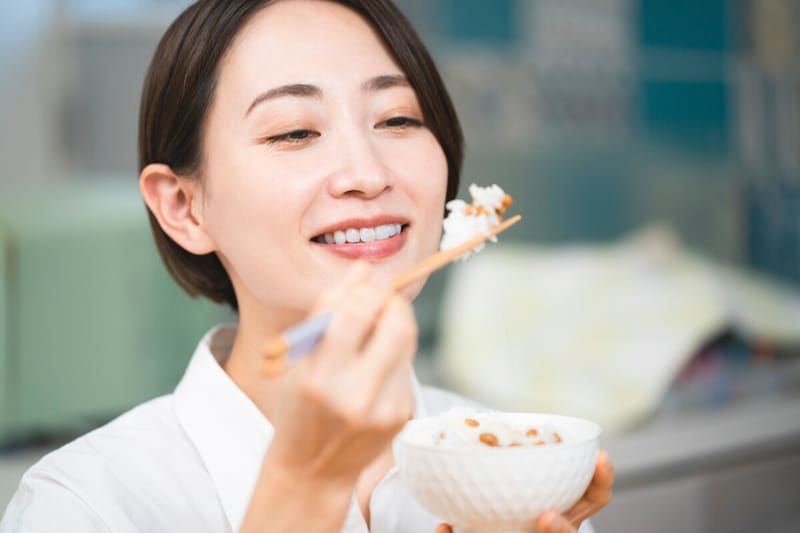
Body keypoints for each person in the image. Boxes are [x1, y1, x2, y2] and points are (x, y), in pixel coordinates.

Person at [0, 0, 613, 531]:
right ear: (184, 207)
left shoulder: (509, 463)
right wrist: (303, 487)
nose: (369, 174)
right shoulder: (86, 507)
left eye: (398, 119)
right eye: (294, 132)